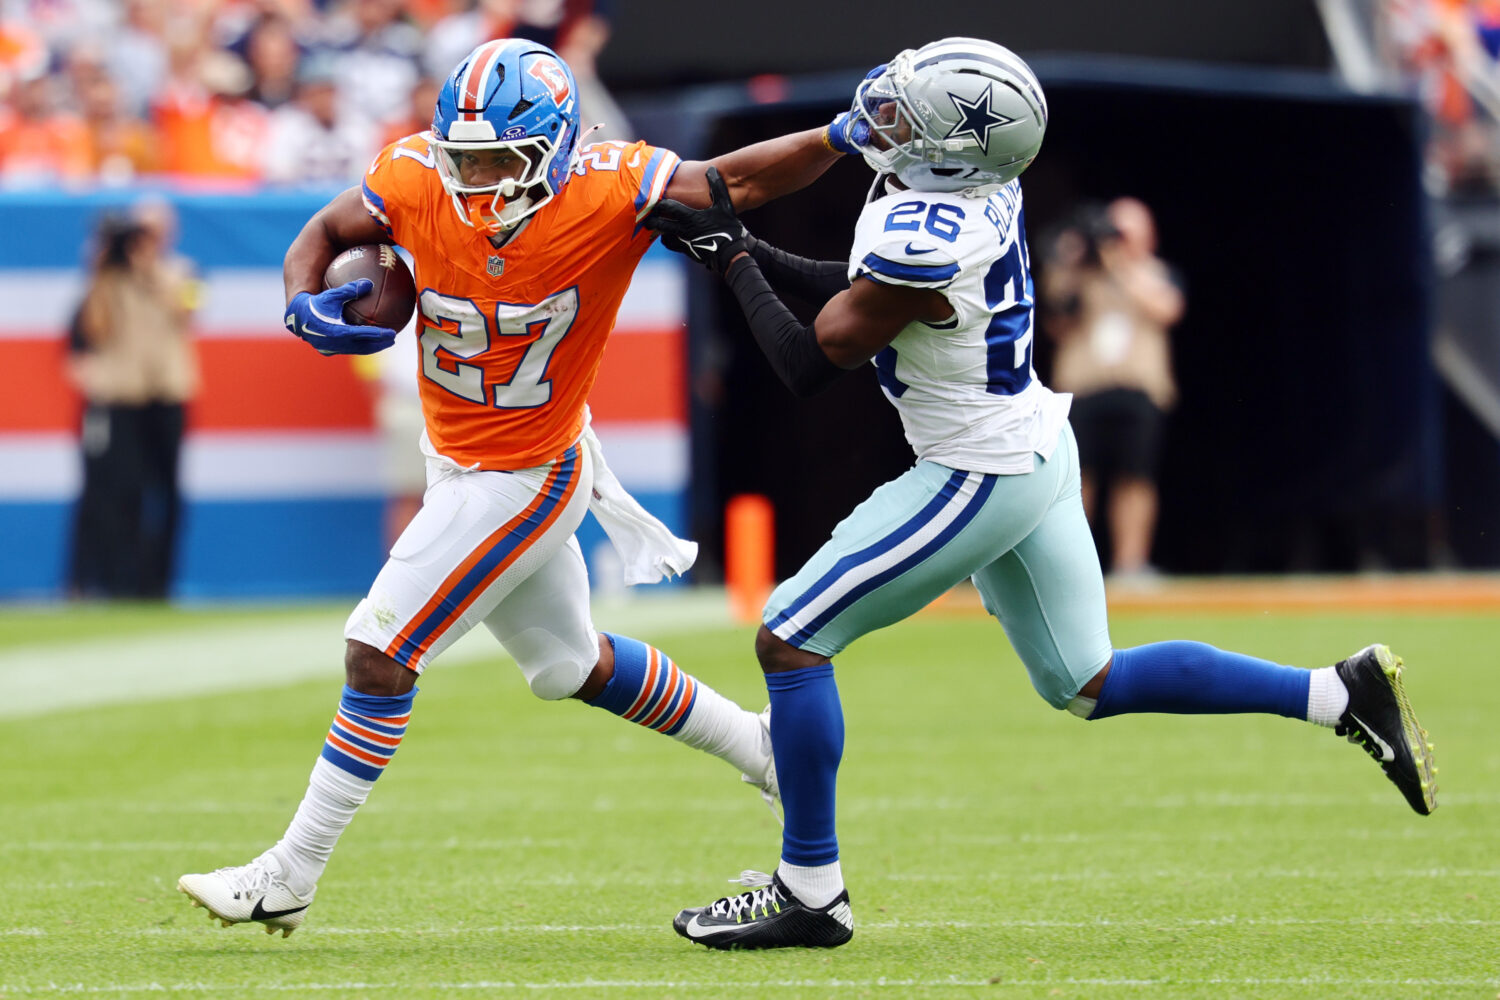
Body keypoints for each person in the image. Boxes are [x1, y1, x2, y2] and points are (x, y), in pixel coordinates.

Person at [645, 36, 1439, 951]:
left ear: (952, 148)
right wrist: (741, 247)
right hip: (1034, 443)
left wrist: (734, 263)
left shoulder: (929, 229)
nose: (888, 114)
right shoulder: (974, 186)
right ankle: (1339, 695)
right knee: (1088, 681)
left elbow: (811, 359)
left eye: (911, 112)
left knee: (791, 638)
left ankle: (810, 891)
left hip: (975, 472)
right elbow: (855, 292)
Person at [177, 37, 847, 937]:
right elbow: (329, 233)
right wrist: (302, 300)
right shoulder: (416, 176)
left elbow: (739, 183)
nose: (476, 180)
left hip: (525, 473)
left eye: (498, 161)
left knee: (378, 650)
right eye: (465, 159)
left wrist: (846, 133)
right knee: (572, 666)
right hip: (455, 456)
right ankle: (762, 750)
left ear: (554, 149)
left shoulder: (612, 185)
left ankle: (288, 874)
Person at [1042, 196, 1184, 580]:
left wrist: (1119, 264)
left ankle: (1130, 565)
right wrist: (1070, 261)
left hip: (1139, 390)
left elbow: (1167, 309)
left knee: (1135, 478)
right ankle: (1071, 568)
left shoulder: (1156, 272)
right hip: (1083, 389)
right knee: (1076, 481)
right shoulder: (1079, 275)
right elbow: (1056, 323)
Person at [66, 200, 200, 598]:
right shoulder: (107, 279)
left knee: (169, 492)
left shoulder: (183, 272)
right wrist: (102, 270)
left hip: (167, 392)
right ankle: (119, 580)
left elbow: (190, 309)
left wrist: (149, 271)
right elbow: (92, 327)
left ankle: (159, 582)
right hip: (122, 395)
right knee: (122, 489)